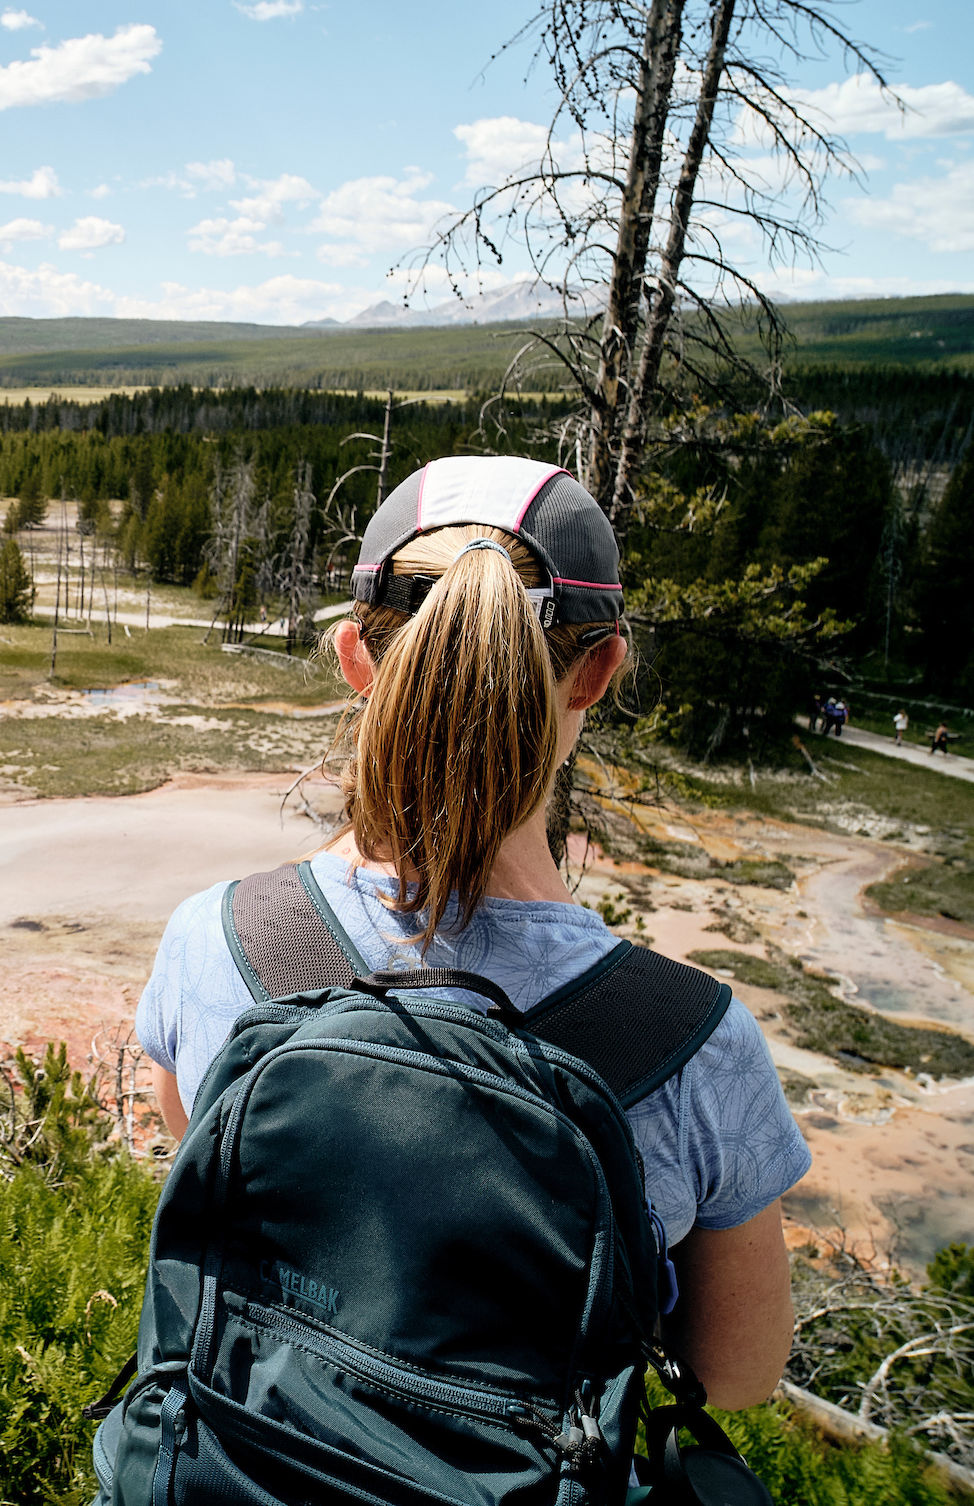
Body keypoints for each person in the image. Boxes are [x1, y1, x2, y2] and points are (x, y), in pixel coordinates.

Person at [124, 457, 808, 1469]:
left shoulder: (215, 938)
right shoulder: (693, 1044)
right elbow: (739, 1369)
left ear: (355, 656)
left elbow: (196, 1159)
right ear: (600, 669)